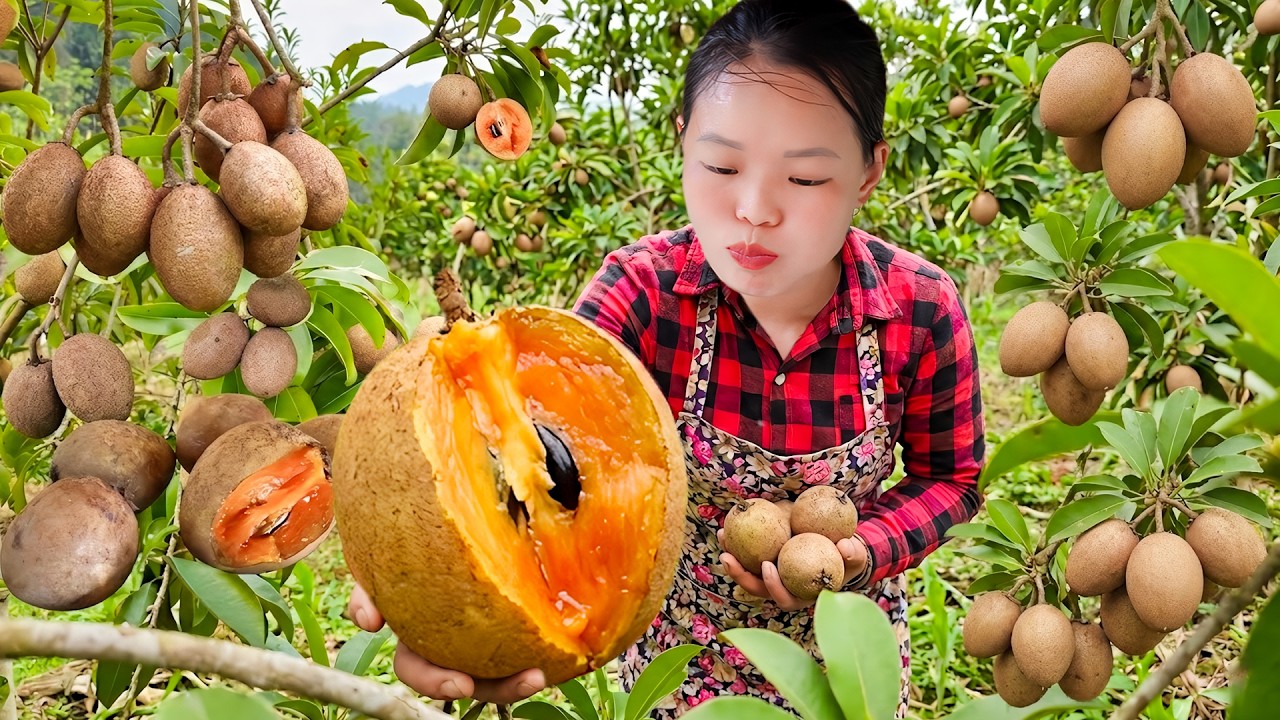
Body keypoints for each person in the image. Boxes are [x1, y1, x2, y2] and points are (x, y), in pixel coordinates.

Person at [348, 0, 985, 716]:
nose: (753, 210)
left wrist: (862, 548)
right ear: (683, 144)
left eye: (804, 179)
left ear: (870, 171)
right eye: (720, 164)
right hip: (682, 659)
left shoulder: (921, 307)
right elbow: (532, 427)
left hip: (850, 658)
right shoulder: (643, 289)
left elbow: (952, 478)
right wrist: (421, 563)